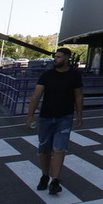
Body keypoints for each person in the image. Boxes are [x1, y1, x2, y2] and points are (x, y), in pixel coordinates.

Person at [25, 48, 84, 195]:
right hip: (46, 117)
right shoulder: (47, 76)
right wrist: (30, 115)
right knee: (44, 148)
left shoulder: (74, 76)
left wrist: (79, 115)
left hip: (64, 117)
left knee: (59, 148)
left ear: (67, 58)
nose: (55, 59)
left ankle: (55, 180)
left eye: (58, 57)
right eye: (55, 57)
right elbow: (36, 96)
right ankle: (45, 175)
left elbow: (78, 96)